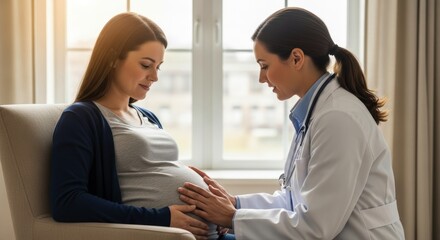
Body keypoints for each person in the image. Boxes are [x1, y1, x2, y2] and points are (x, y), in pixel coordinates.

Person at [178, 7, 405, 240]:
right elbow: (293, 201)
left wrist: (232, 217)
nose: (261, 78)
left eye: (264, 65)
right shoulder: (317, 111)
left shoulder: (338, 118)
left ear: (296, 58)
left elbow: (315, 226)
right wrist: (234, 203)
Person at [50, 12, 219, 240]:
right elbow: (67, 202)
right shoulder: (81, 118)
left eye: (158, 67)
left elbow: (152, 172)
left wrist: (215, 213)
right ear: (112, 58)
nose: (154, 77)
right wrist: (161, 218)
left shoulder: (147, 116)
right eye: (146, 65)